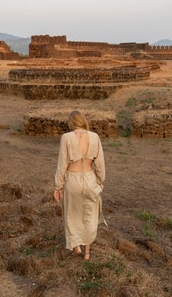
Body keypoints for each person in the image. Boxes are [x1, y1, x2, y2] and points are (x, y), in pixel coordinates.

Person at [54, 110, 106, 260]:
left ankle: (76, 246)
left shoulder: (66, 138)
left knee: (72, 215)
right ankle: (87, 253)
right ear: (83, 121)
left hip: (73, 180)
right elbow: (100, 163)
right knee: (89, 215)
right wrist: (100, 181)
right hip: (90, 179)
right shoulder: (95, 137)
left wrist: (57, 186)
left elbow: (62, 164)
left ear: (71, 122)